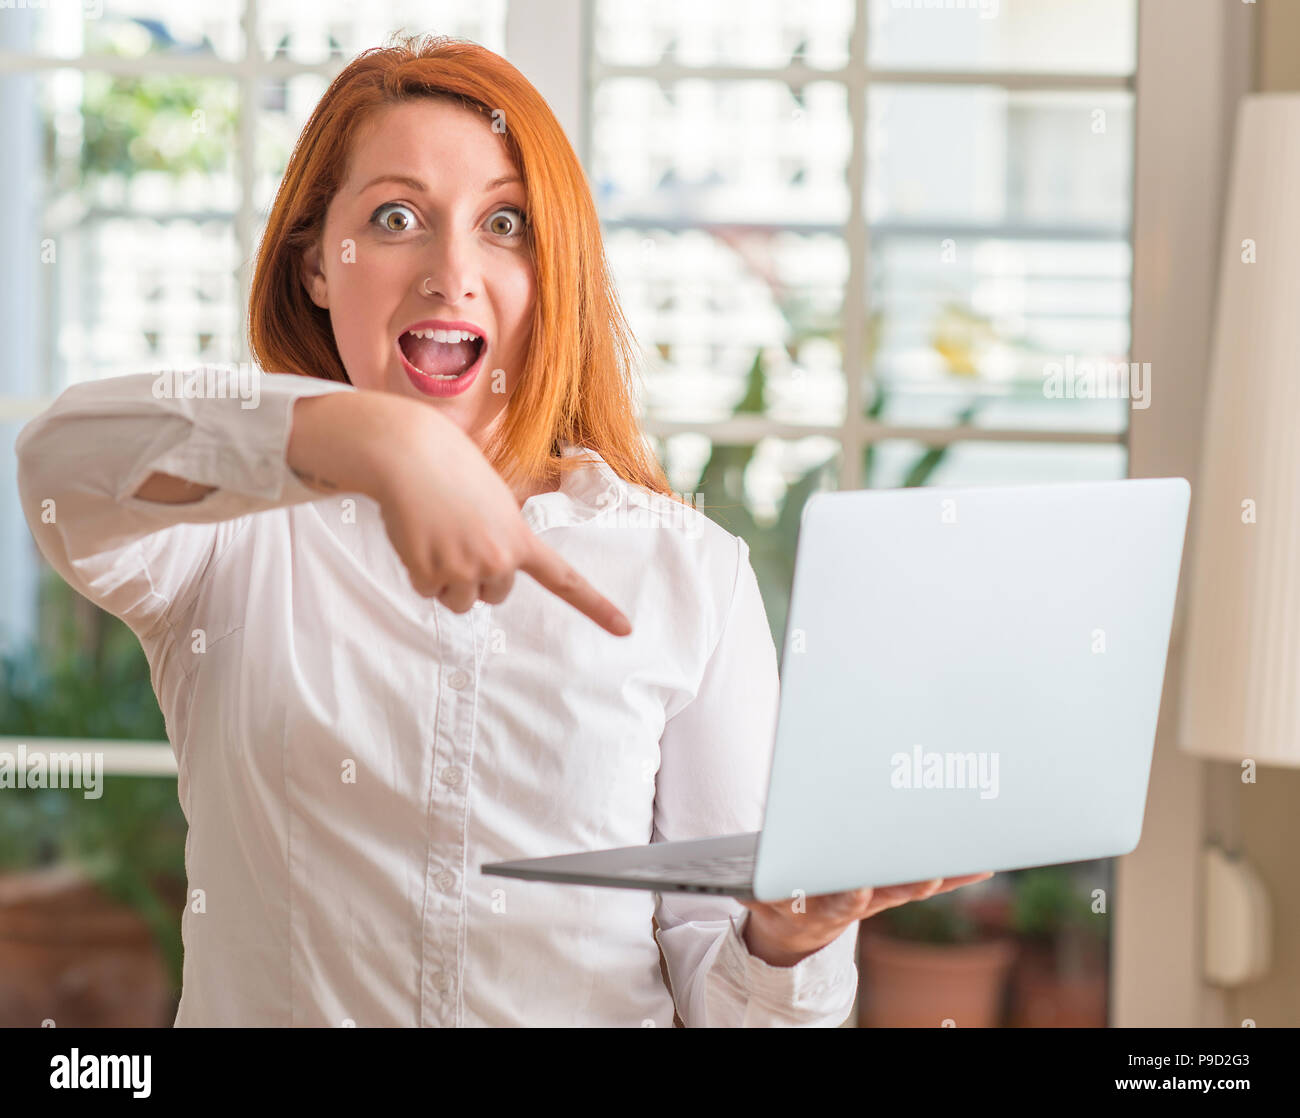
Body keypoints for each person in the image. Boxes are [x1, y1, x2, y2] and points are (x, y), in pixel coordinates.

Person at [15, 34, 989, 1027]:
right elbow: (60, 465)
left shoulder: (688, 571)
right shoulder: (230, 540)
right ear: (315, 266)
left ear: (555, 265)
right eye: (395, 217)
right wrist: (372, 437)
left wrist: (786, 940)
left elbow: (734, 1005)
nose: (451, 271)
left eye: (505, 223)